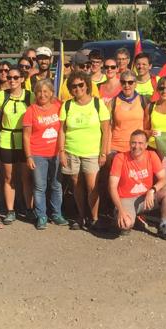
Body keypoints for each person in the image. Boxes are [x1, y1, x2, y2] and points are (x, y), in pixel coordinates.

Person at [59, 71, 110, 230]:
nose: (77, 88)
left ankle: (94, 218)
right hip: (71, 150)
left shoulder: (98, 104)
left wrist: (103, 153)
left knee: (92, 187)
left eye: (81, 84)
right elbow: (62, 130)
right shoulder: (67, 105)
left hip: (92, 152)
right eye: (73, 86)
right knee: (76, 185)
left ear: (87, 85)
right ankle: (81, 216)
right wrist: (61, 151)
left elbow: (106, 130)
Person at [108, 130, 166, 240]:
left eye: (140, 143)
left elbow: (164, 179)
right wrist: (121, 210)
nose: (136, 146)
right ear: (129, 144)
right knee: (125, 225)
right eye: (133, 143)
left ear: (146, 145)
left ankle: (163, 225)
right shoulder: (120, 158)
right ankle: (127, 217)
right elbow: (112, 187)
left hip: (146, 198)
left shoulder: (151, 155)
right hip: (126, 199)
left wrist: (152, 190)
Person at [23, 79, 67, 230]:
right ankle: (41, 215)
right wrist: (28, 156)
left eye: (46, 91)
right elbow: (26, 136)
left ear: (51, 93)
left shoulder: (59, 106)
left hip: (56, 153)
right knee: (40, 186)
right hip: (38, 154)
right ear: (35, 94)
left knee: (56, 185)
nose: (42, 94)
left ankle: (56, 214)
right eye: (39, 92)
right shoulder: (31, 110)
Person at [0, 67, 33, 223]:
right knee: (9, 177)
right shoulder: (1, 96)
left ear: (22, 79)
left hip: (25, 141)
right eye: (9, 77)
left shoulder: (30, 96)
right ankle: (11, 210)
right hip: (6, 139)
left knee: (26, 177)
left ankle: (29, 209)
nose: (12, 80)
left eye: (16, 77)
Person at [108, 70, 148, 155]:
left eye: (130, 82)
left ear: (135, 84)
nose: (127, 85)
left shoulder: (143, 100)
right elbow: (108, 128)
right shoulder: (112, 102)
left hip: (137, 147)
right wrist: (106, 151)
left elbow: (148, 124)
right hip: (116, 148)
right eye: (123, 82)